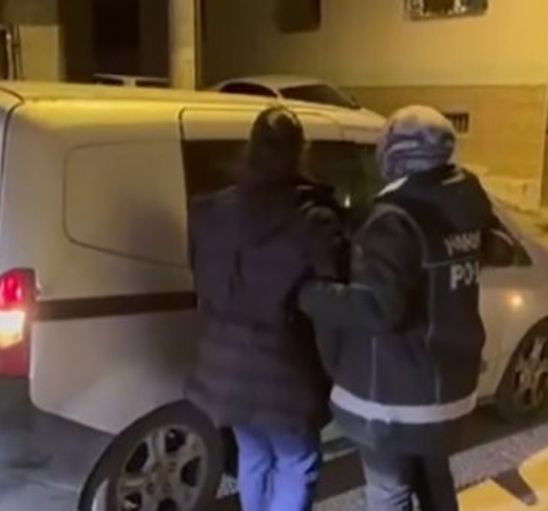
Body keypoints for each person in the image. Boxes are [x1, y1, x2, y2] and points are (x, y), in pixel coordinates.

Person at [298, 105, 495, 511]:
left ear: (395, 154)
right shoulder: (467, 204)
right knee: (435, 479)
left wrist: (313, 295)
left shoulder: (394, 218)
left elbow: (378, 309)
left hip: (395, 395)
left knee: (389, 490)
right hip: (449, 386)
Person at [187, 105, 346, 511]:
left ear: (251, 148)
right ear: (300, 151)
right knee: (297, 461)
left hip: (224, 368)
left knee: (254, 454)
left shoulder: (212, 210)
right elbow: (333, 296)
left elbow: (202, 277)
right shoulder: (314, 219)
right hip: (286, 371)